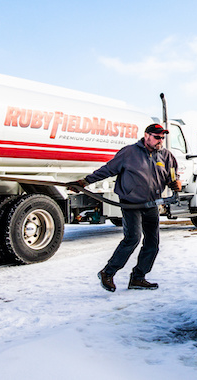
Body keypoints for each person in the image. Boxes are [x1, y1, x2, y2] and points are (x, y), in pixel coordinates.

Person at [72, 123, 181, 292]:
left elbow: (172, 174)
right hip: (131, 203)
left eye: (162, 137)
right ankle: (107, 273)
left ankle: (138, 278)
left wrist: (175, 182)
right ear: (146, 136)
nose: (160, 140)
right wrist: (85, 182)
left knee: (153, 243)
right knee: (133, 238)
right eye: (157, 137)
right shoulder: (129, 153)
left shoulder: (166, 156)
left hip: (151, 204)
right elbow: (107, 170)